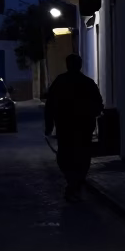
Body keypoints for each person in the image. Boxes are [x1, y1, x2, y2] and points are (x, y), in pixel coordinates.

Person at [44, 54, 103, 202]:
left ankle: (72, 181)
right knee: (82, 155)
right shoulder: (88, 83)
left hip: (66, 127)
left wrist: (49, 125)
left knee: (65, 155)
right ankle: (76, 180)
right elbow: (98, 104)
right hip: (83, 126)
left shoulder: (59, 82)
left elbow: (49, 105)